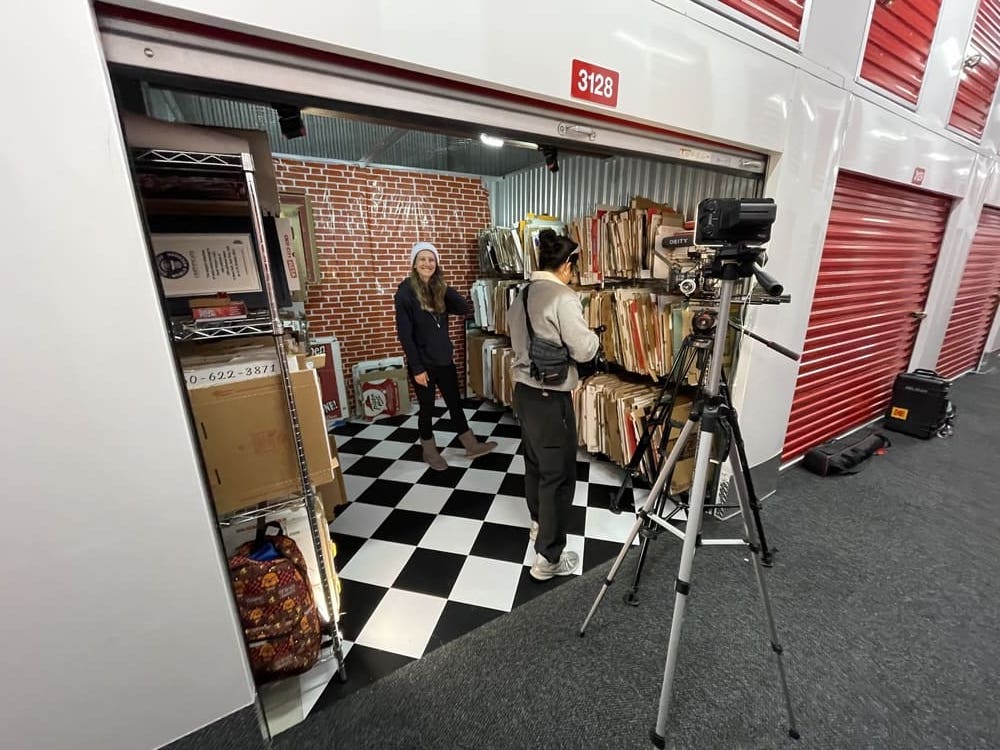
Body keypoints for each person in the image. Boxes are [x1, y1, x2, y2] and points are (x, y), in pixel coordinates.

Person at [507, 230, 599, 581]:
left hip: (524, 394)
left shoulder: (522, 294)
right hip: (551, 396)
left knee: (534, 464)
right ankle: (548, 559)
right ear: (567, 265)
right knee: (558, 475)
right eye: (574, 266)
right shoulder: (563, 296)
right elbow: (583, 349)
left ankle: (537, 525)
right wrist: (593, 338)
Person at [395, 241, 496, 470]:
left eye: (432, 260)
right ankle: (429, 452)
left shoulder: (439, 290)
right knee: (427, 409)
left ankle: (471, 445)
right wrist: (417, 368)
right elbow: (405, 336)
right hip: (423, 364)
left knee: (455, 404)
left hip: (444, 360)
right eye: (422, 259)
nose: (427, 263)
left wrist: (443, 286)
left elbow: (463, 308)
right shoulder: (404, 293)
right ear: (414, 263)